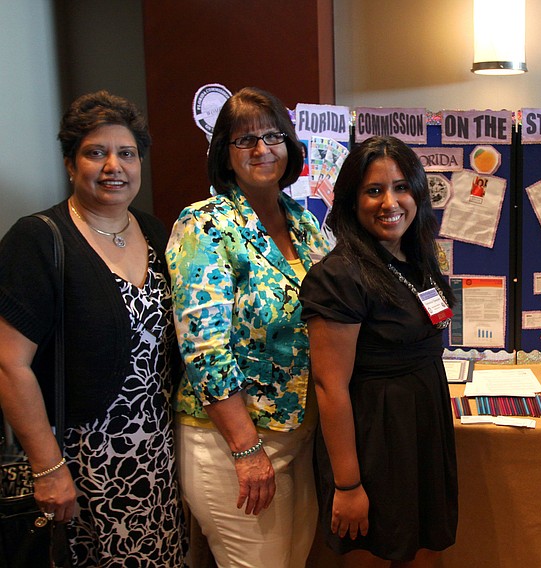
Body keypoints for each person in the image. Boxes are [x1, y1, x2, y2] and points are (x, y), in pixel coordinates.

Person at [0, 91, 187, 566]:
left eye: (126, 153)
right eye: (95, 152)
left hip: (160, 457)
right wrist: (47, 467)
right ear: (69, 163)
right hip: (82, 463)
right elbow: (9, 364)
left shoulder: (156, 234)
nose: (113, 166)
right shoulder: (39, 240)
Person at [167, 86, 329, 567]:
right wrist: (246, 449)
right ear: (225, 154)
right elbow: (204, 349)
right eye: (245, 140)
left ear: (290, 145)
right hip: (232, 442)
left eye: (273, 135)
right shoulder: (206, 224)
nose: (262, 149)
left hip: (299, 433)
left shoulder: (303, 223)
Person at [299, 136, 458, 567]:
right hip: (374, 441)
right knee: (376, 551)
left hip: (420, 427)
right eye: (374, 190)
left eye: (402, 187)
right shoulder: (338, 276)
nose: (391, 202)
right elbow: (329, 386)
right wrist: (348, 485)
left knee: (416, 550)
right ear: (352, 201)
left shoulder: (416, 257)